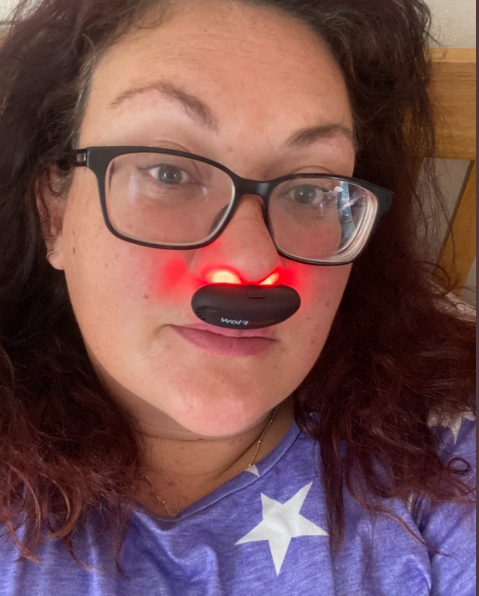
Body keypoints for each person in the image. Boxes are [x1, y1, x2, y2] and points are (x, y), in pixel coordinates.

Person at [0, 0, 475, 594]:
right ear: (55, 214)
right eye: (169, 173)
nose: (251, 262)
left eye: (309, 191)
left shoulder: (445, 449)